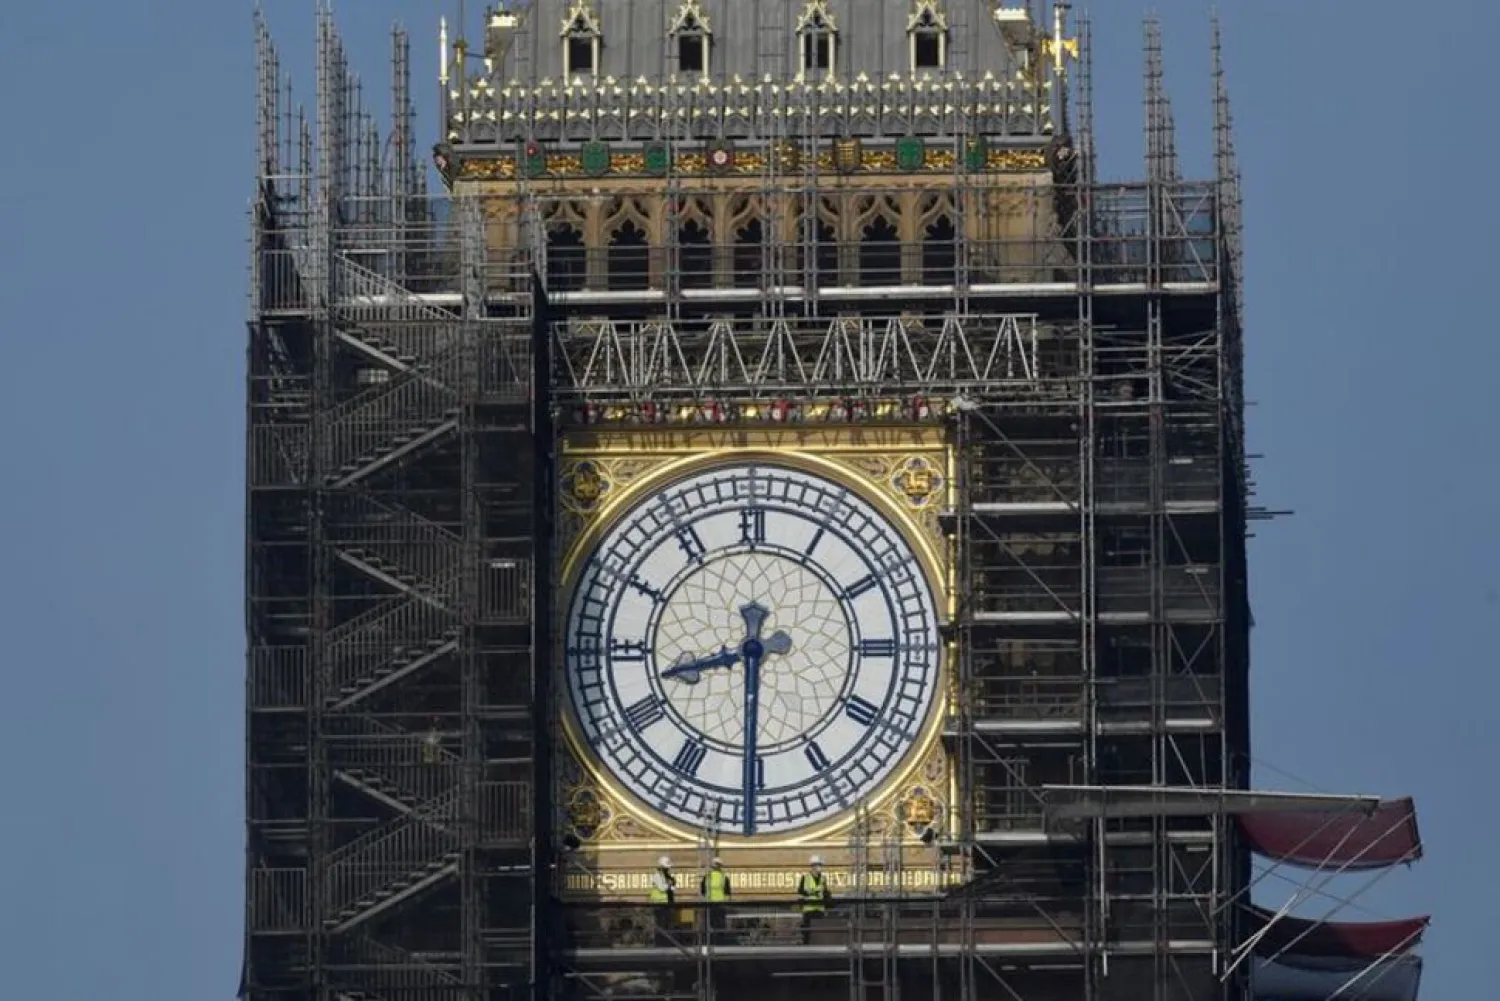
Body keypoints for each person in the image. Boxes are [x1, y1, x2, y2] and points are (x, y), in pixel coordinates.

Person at [796, 854, 831, 943]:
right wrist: (814, 892)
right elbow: (800, 892)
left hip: (819, 908)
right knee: (807, 930)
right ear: (813, 866)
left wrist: (827, 900)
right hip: (809, 908)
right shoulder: (805, 877)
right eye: (819, 865)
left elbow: (825, 892)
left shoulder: (823, 878)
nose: (820, 867)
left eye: (820, 865)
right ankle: (806, 945)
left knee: (819, 932)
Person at [699, 857, 731, 935]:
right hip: (721, 905)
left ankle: (709, 940)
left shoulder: (707, 877)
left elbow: (702, 891)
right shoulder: (724, 877)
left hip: (709, 904)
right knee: (720, 925)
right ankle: (720, 940)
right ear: (720, 866)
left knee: (709, 924)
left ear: (712, 866)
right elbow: (727, 893)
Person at [649, 855, 677, 944]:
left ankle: (666, 941)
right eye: (666, 868)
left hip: (666, 904)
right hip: (658, 904)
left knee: (667, 924)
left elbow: (672, 886)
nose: (668, 869)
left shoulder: (666, 876)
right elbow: (662, 888)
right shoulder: (657, 876)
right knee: (660, 925)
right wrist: (670, 886)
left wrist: (671, 885)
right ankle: (660, 941)